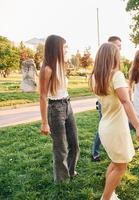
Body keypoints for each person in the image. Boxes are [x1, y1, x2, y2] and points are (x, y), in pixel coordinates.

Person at [89, 43, 139, 200]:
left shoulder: (95, 77)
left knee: (116, 163)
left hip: (105, 125)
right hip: (116, 127)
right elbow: (126, 101)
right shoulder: (116, 75)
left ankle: (109, 195)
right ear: (113, 57)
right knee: (121, 166)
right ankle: (106, 198)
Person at [39, 35, 80, 182]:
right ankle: (62, 182)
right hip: (55, 109)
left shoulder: (61, 66)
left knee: (74, 144)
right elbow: (43, 96)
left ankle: (71, 171)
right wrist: (44, 122)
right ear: (56, 48)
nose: (66, 49)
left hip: (67, 105)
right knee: (61, 148)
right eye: (64, 47)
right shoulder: (48, 69)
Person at [91, 36, 122, 162]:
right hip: (106, 105)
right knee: (104, 126)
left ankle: (113, 151)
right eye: (116, 46)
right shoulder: (102, 68)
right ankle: (95, 152)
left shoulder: (115, 63)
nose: (119, 49)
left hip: (115, 106)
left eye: (120, 46)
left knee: (109, 128)